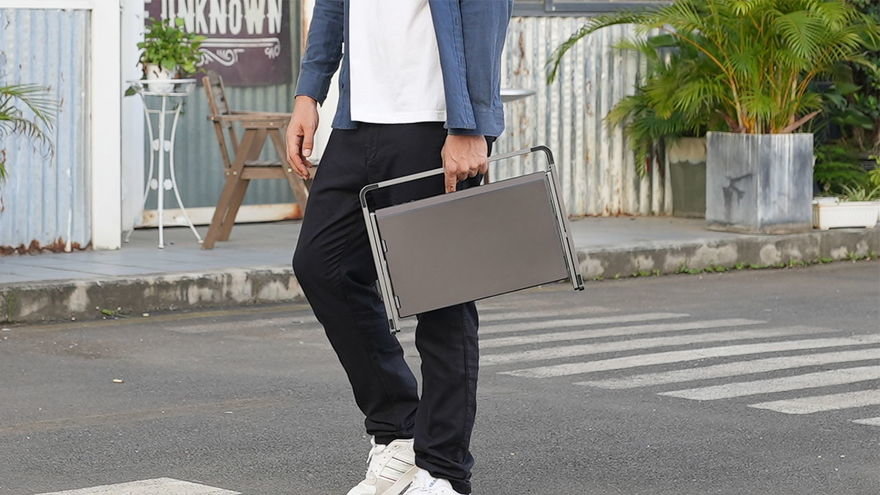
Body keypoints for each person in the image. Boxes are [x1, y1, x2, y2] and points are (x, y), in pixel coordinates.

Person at [287, 1, 512, 494]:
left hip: (435, 124)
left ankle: (444, 470)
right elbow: (331, 7)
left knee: (441, 299)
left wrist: (472, 125)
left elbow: (484, 16)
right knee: (323, 265)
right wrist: (309, 92)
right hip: (357, 122)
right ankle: (398, 430)